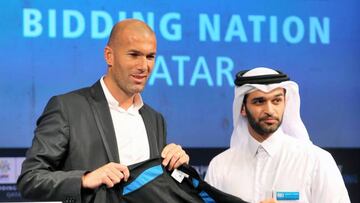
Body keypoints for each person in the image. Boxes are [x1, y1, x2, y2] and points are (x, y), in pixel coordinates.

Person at [17, 19, 189, 203]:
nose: (143, 66)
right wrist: (84, 179)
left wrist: (177, 168)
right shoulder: (67, 108)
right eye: (134, 54)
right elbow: (30, 179)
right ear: (109, 56)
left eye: (150, 56)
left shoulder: (155, 119)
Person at [205, 67, 350, 203]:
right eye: (259, 101)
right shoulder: (220, 166)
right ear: (242, 108)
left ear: (285, 103)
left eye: (276, 101)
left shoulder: (316, 161)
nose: (269, 110)